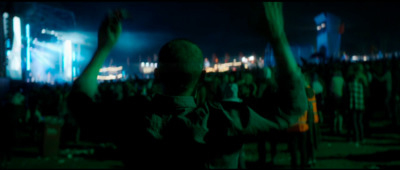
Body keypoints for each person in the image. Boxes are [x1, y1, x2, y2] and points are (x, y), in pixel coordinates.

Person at [67, 3, 307, 169]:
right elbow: (292, 108)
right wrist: (278, 37)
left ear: (157, 75)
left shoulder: (132, 117)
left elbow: (80, 104)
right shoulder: (223, 121)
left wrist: (103, 48)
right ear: (202, 78)